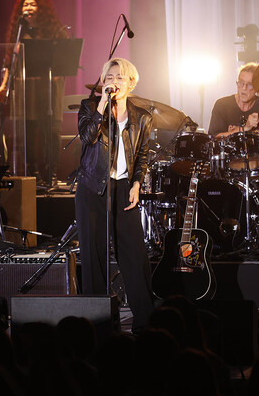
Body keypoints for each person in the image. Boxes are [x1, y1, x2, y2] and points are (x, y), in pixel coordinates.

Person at [75, 58, 154, 333]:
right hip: (92, 187)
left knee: (134, 255)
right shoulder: (89, 107)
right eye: (109, 77)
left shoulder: (142, 117)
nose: (114, 81)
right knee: (93, 256)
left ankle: (145, 324)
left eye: (120, 77)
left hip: (123, 187)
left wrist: (137, 184)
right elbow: (87, 137)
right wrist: (101, 106)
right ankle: (96, 325)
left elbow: (142, 155)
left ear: (130, 83)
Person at [0, 0, 67, 187]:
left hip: (48, 91)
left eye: (32, 4)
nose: (28, 8)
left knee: (50, 132)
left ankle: (50, 173)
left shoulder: (54, 31)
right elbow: (10, 63)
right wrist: (4, 86)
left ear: (42, 9)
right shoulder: (18, 32)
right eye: (25, 5)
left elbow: (64, 59)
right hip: (26, 91)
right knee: (28, 132)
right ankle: (32, 172)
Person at [208, 62, 259, 143]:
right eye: (241, 83)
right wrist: (245, 128)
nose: (244, 88)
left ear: (257, 87)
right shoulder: (222, 105)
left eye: (249, 84)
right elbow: (213, 139)